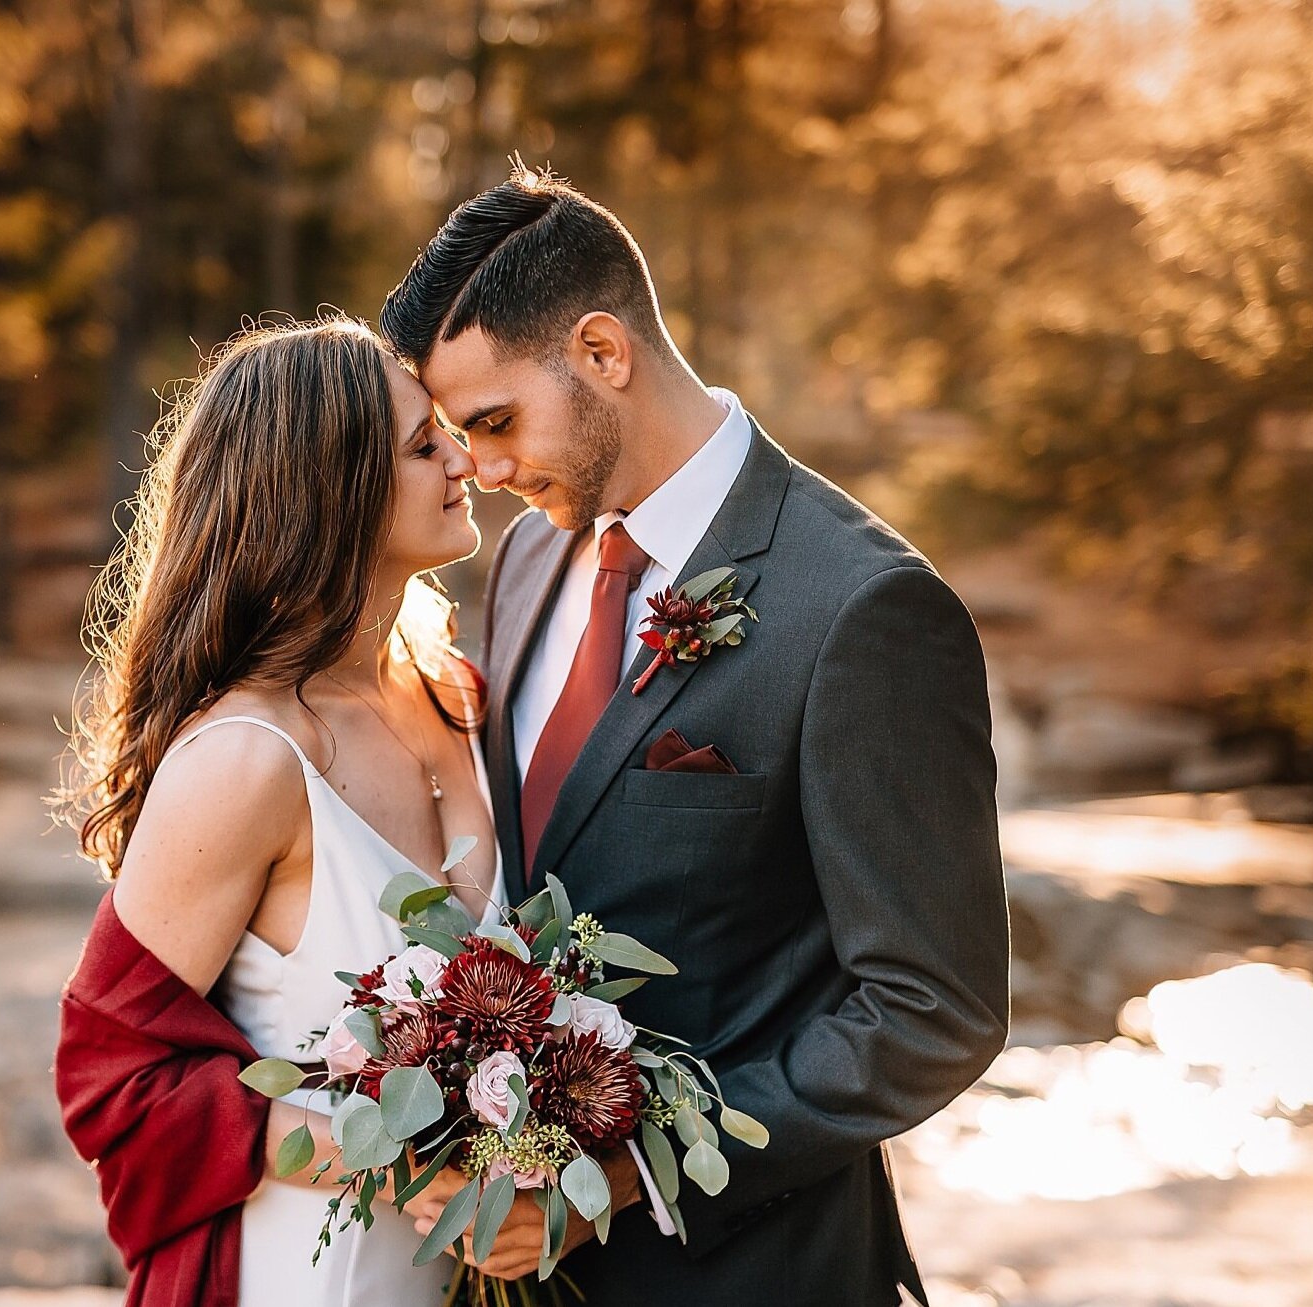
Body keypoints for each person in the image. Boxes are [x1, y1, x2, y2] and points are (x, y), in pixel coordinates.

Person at [381, 167, 1011, 1306]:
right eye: (455, 436)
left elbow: (932, 1012)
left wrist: (624, 1172)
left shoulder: (861, 609)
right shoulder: (527, 560)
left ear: (603, 352)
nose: (477, 468)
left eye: (493, 422)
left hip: (757, 1269)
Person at [51, 316, 502, 1306]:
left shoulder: (456, 695)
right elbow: (110, 1080)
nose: (461, 458)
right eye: (423, 445)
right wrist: (404, 1163)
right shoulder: (245, 761)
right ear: (325, 491)